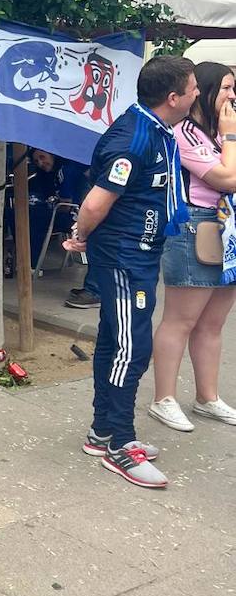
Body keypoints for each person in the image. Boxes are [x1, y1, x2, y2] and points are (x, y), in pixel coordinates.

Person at [64, 55, 198, 490]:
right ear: (173, 97)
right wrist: (80, 235)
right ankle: (121, 443)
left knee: (116, 340)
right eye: (193, 88)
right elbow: (95, 203)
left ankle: (102, 431)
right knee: (132, 347)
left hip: (140, 254)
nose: (198, 94)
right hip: (123, 257)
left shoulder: (157, 130)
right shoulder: (133, 138)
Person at [149, 62, 236, 432]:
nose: (233, 96)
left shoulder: (223, 133)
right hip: (195, 226)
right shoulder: (184, 133)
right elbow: (226, 178)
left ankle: (208, 397)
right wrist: (231, 138)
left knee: (213, 323)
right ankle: (163, 398)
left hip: (227, 228)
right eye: (228, 88)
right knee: (180, 320)